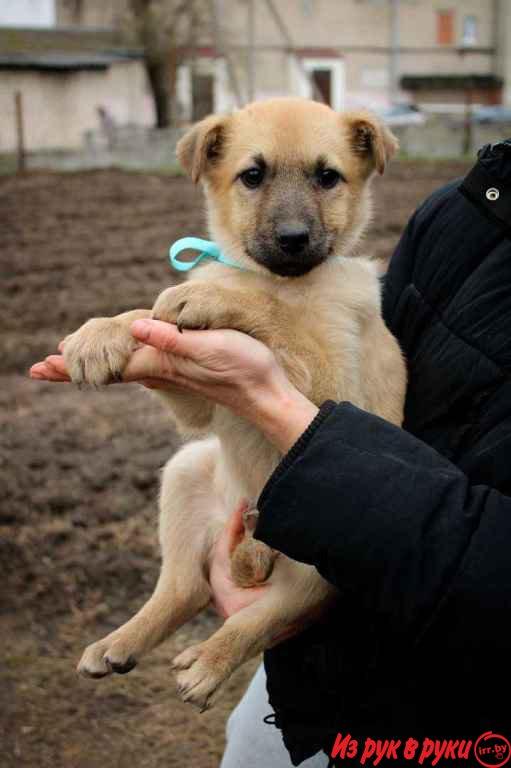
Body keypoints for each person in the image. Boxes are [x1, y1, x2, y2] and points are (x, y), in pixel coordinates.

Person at [31, 140, 511, 767]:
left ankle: (229, 643)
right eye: (253, 177)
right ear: (209, 175)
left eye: (325, 179)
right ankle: (171, 600)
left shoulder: (350, 289)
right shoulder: (468, 207)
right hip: (323, 663)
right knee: (188, 468)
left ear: (367, 172)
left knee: (310, 585)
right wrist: (154, 360)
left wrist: (251, 323)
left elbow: (336, 409)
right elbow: (200, 417)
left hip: (424, 675)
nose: (291, 218)